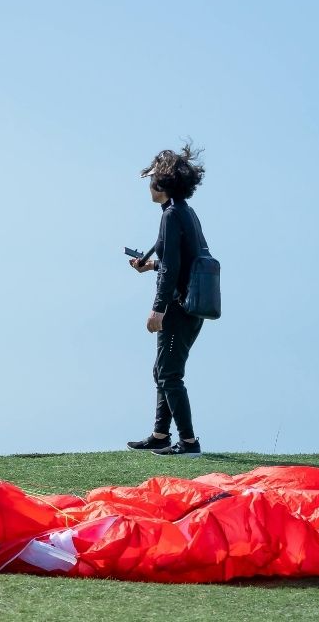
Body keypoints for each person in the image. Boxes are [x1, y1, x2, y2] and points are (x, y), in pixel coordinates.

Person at [126, 143, 208, 457]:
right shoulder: (183, 213)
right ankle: (161, 435)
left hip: (179, 307)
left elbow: (174, 267)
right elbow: (181, 261)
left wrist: (157, 309)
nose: (149, 185)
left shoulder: (173, 215)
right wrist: (151, 266)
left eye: (152, 180)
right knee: (162, 369)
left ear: (162, 183)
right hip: (191, 305)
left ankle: (188, 443)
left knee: (170, 374)